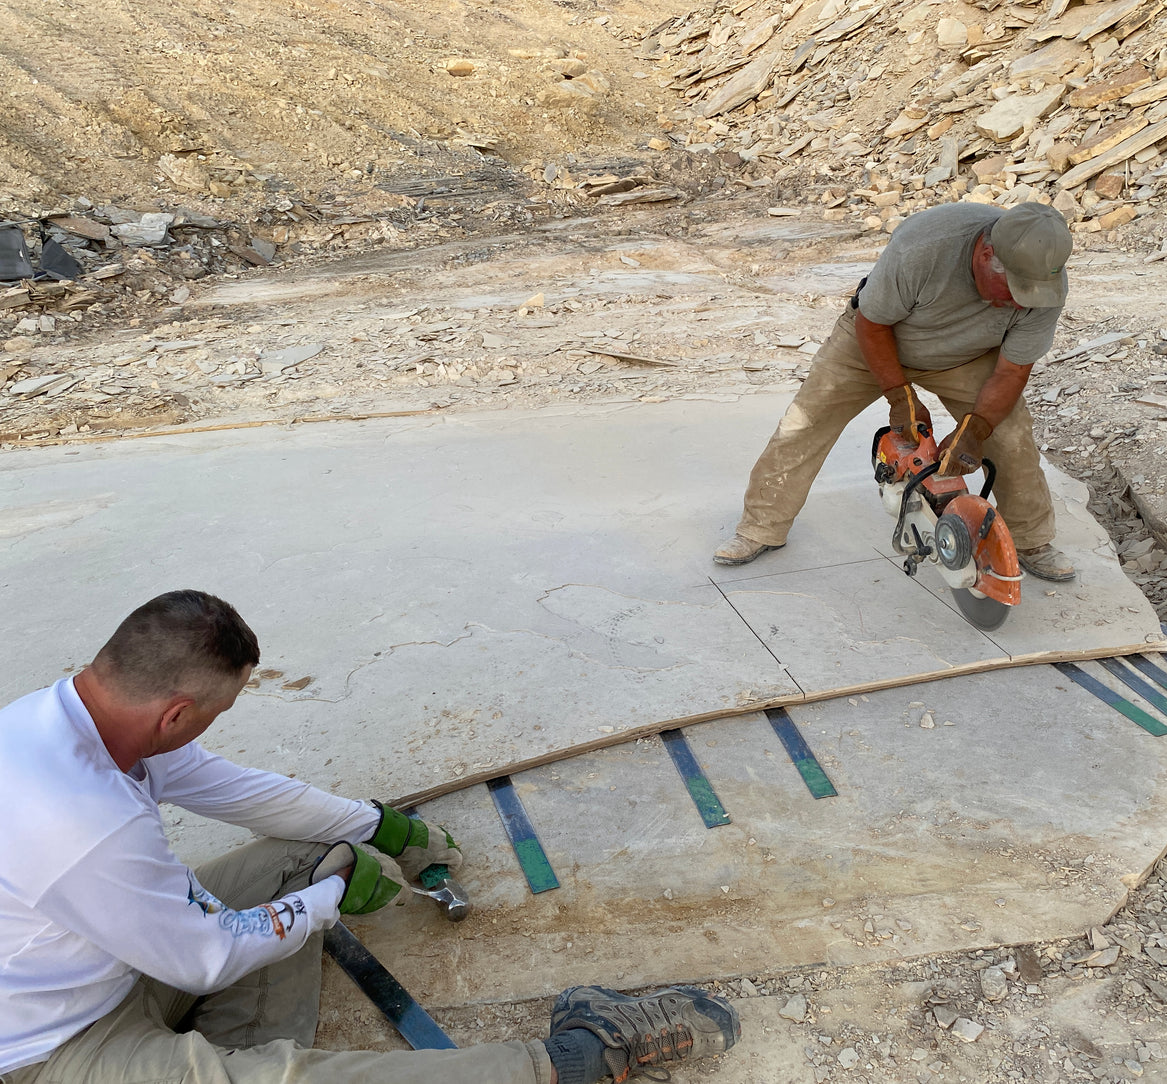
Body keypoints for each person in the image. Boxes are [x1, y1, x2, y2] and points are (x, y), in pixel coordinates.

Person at [0, 590, 739, 1084]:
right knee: (294, 1072)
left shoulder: (68, 718)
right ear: (175, 713)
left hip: (93, 960)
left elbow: (236, 791)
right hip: (50, 1048)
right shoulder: (86, 822)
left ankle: (225, 1054)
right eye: (215, 713)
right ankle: (575, 1060)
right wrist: (326, 902)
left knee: (307, 858)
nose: (212, 728)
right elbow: (205, 956)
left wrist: (379, 828)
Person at [714, 200, 1078, 582]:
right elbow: (872, 324)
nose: (1021, 301)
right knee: (806, 421)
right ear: (987, 255)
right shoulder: (924, 247)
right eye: (1013, 289)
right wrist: (900, 397)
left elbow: (1012, 371)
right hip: (875, 340)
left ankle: (1030, 540)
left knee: (1011, 434)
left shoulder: (1044, 286)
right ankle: (759, 528)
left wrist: (977, 428)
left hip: (965, 355)